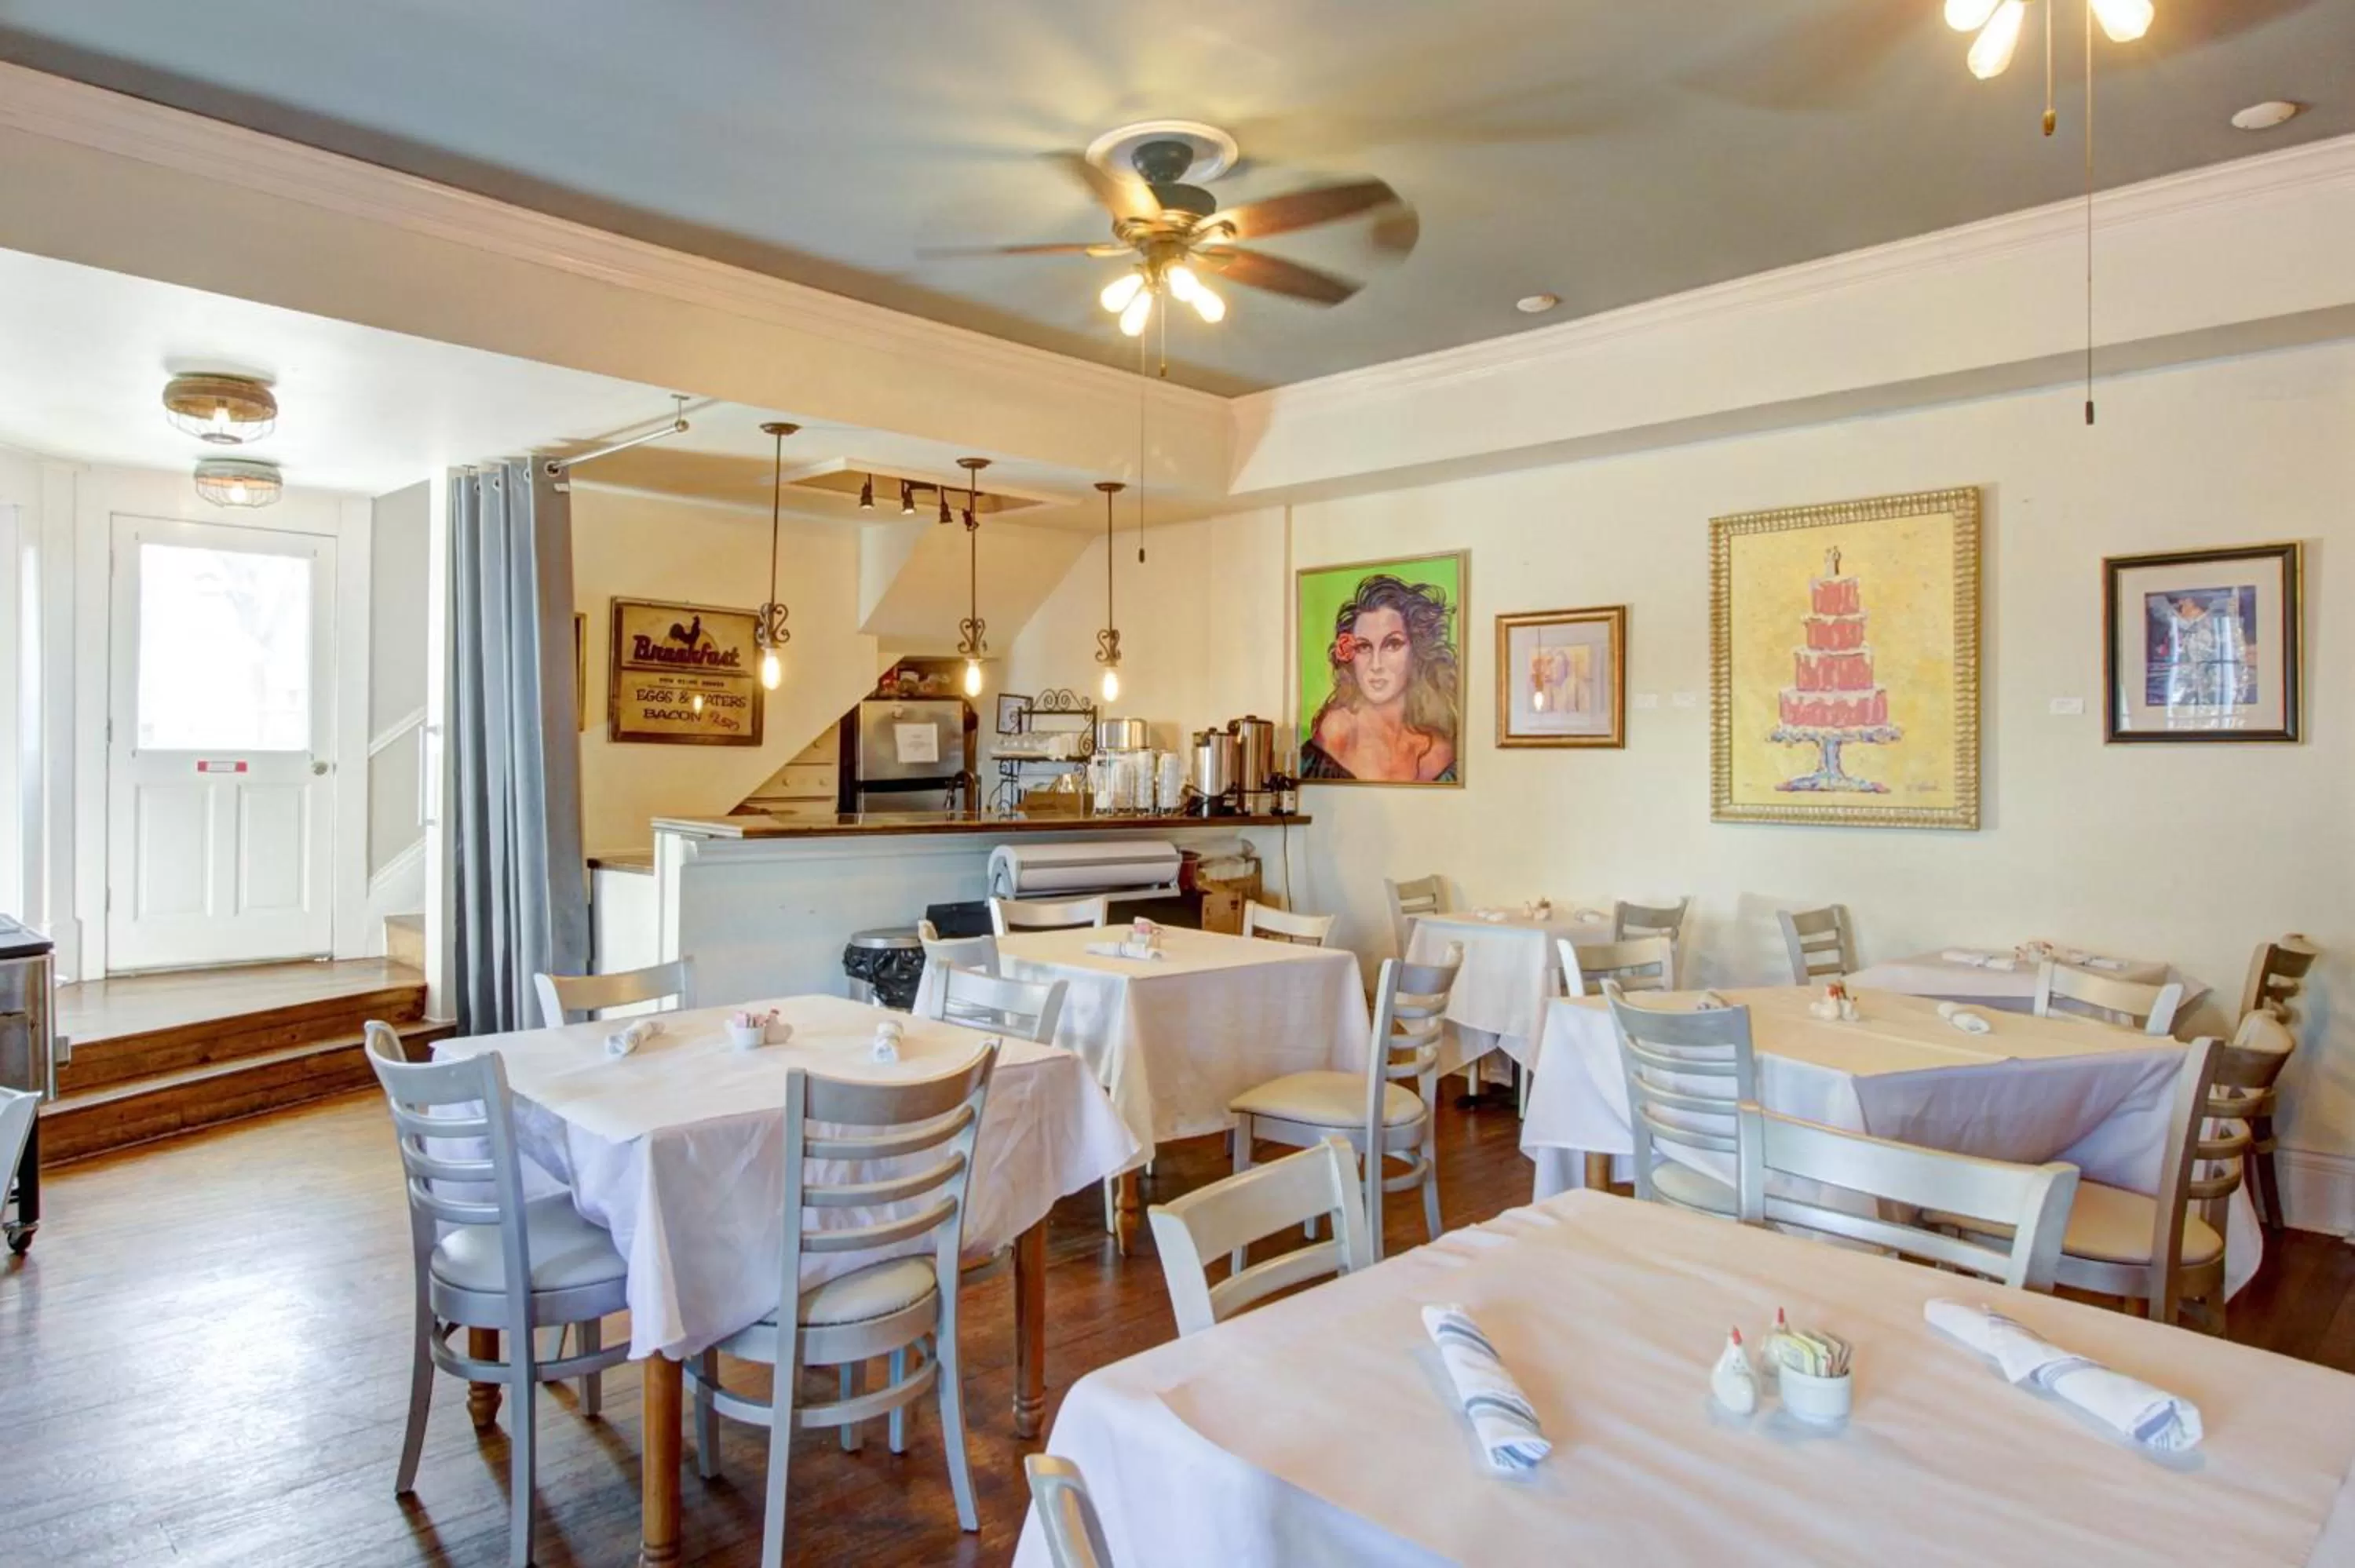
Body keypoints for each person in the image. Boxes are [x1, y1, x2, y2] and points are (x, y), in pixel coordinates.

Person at [1301, 573, 1459, 782]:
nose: (1376, 665)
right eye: (1364, 647)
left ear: (1417, 651)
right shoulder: (1336, 732)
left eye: (1392, 644)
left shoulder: (1438, 750)